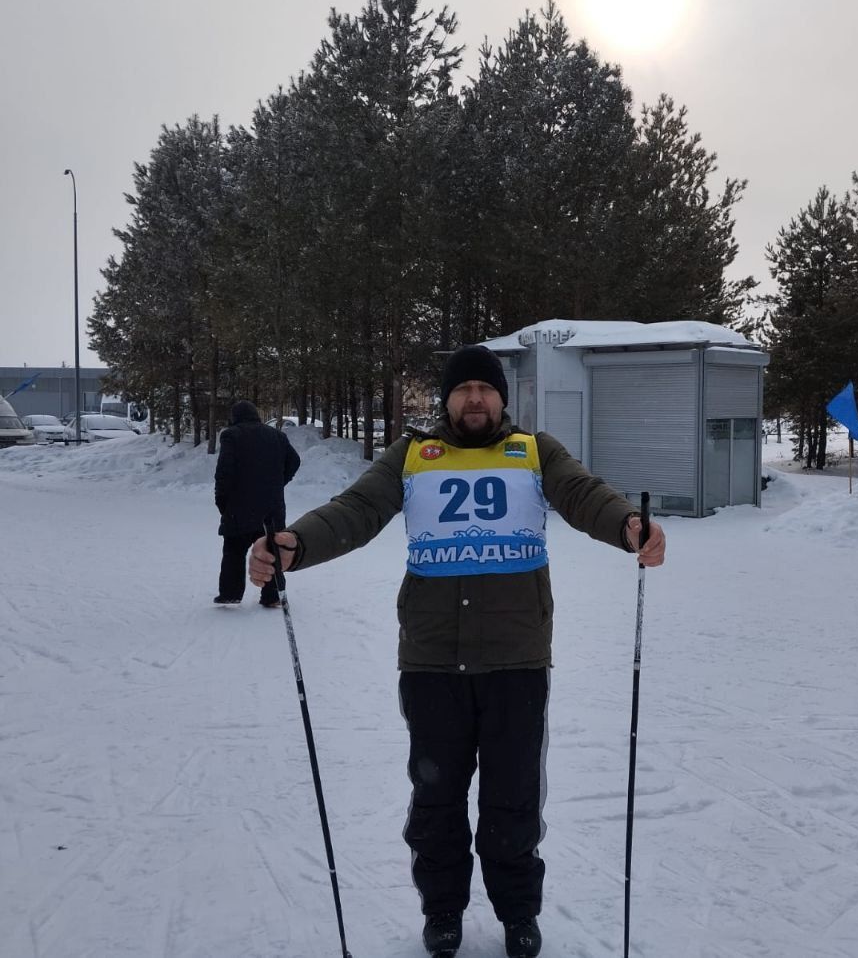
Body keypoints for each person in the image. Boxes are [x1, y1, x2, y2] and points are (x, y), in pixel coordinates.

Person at [248, 344, 666, 958]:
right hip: (432, 658)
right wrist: (295, 545)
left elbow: (583, 493)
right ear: (447, 400)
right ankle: (442, 910)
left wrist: (630, 525)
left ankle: (518, 913)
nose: (475, 398)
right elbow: (357, 509)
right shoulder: (414, 454)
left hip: (517, 657)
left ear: (503, 398)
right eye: (463, 388)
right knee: (437, 797)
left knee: (514, 796)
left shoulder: (534, 451)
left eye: (485, 389)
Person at [214, 400, 301, 607]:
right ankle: (273, 596)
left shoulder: (231, 435)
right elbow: (294, 461)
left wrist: (222, 501)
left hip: (239, 506)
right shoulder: (277, 436)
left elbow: (224, 473)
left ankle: (230, 593)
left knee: (234, 550)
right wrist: (279, 482)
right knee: (272, 549)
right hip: (271, 506)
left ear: (235, 417)